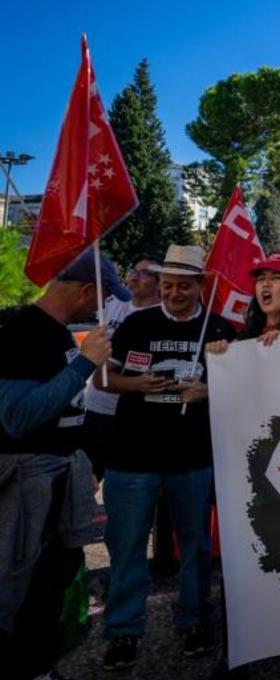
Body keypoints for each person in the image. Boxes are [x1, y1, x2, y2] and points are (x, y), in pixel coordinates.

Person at [99, 245, 238, 670]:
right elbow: (103, 378)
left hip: (192, 456)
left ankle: (194, 619)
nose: (173, 293)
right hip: (131, 455)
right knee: (126, 547)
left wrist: (211, 389)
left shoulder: (220, 330)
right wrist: (135, 385)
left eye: (183, 285)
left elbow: (248, 386)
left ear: (200, 286)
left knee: (195, 544)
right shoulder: (138, 323)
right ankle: (123, 630)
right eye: (167, 285)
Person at [0, 250, 123, 680]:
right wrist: (86, 364)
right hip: (27, 491)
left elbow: (67, 409)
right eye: (100, 298)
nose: (100, 308)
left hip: (59, 484)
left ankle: (38, 665)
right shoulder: (21, 331)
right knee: (20, 586)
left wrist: (84, 459)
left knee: (51, 586)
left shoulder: (56, 333)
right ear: (85, 291)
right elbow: (16, 417)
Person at [209, 253, 280, 679]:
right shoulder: (238, 341)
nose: (265, 285)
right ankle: (239, 650)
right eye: (261, 279)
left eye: (276, 278)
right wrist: (224, 360)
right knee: (246, 560)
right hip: (253, 475)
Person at [84, 256, 162, 476]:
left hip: (130, 415)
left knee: (123, 481)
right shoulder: (113, 303)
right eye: (134, 271)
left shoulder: (161, 318)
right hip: (96, 406)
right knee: (87, 479)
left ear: (159, 283)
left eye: (144, 273)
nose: (135, 277)